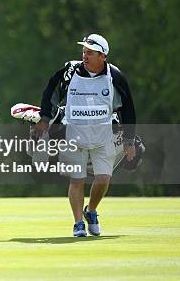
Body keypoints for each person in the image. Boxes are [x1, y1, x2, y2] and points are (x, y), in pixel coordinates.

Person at [31, 34, 136, 237]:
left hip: (103, 135)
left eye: (90, 53)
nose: (85, 56)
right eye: (84, 52)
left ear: (102, 56)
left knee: (103, 179)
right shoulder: (70, 72)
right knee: (76, 180)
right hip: (74, 135)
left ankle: (92, 210)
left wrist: (129, 139)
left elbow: (127, 108)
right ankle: (78, 223)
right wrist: (44, 120)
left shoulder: (114, 76)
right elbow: (51, 92)